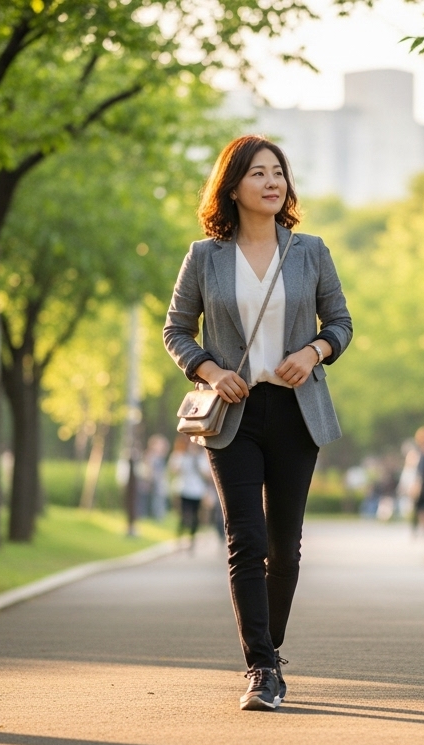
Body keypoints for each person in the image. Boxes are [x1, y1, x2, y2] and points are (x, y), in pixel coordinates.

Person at [163, 134, 353, 712]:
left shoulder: (311, 251)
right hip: (235, 413)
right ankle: (262, 668)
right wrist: (212, 370)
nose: (272, 182)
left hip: (296, 412)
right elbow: (176, 330)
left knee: (284, 547)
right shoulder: (204, 257)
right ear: (233, 186)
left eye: (279, 173)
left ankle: (270, 648)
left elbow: (341, 323)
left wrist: (313, 352)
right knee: (245, 538)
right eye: (258, 174)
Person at [169, 436, 211, 551]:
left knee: (195, 517)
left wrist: (198, 464)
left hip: (197, 491)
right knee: (183, 516)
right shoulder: (180, 455)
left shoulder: (201, 457)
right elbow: (173, 469)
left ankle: (192, 541)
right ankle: (179, 539)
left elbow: (208, 475)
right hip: (183, 489)